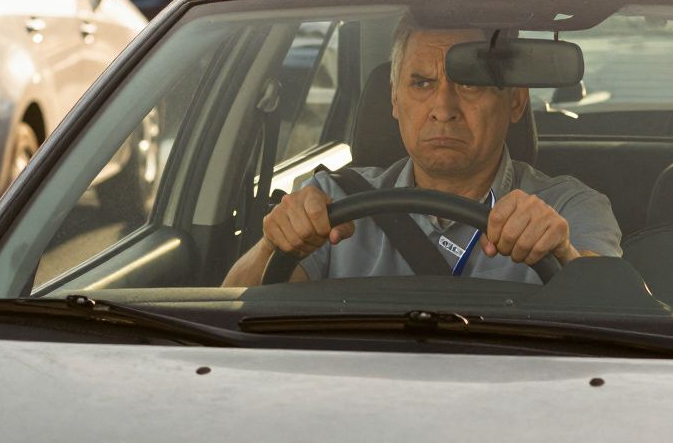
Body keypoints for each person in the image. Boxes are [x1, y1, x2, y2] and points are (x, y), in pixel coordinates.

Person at [223, 16, 622, 286]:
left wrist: (564, 255)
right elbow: (231, 315)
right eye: (421, 84)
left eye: (469, 83)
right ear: (394, 99)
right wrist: (273, 244)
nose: (443, 109)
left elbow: (614, 312)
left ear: (515, 101)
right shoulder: (329, 202)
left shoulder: (567, 209)